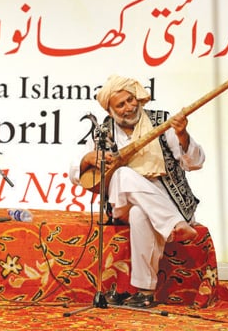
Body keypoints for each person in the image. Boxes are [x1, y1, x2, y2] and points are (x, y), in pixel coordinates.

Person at [69, 75, 205, 308]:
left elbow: (195, 162)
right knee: (122, 175)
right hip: (122, 202)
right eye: (120, 105)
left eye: (131, 100)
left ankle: (144, 292)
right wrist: (87, 159)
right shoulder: (104, 132)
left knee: (139, 214)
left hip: (169, 200)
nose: (129, 107)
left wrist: (182, 135)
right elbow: (75, 174)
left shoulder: (162, 123)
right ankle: (174, 225)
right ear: (110, 111)